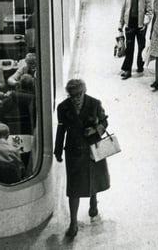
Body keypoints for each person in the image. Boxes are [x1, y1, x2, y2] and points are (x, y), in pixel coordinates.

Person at [54, 79, 110, 238]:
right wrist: (58, 150)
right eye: (72, 95)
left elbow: (105, 121)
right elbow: (61, 129)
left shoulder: (94, 103)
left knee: (93, 178)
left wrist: (95, 130)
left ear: (84, 91)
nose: (76, 98)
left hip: (93, 149)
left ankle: (93, 202)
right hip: (74, 150)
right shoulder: (63, 108)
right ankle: (73, 223)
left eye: (79, 94)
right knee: (74, 187)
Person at [118, 0, 153, 79]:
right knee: (129, 48)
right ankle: (127, 69)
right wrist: (120, 25)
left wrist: (145, 23)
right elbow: (123, 11)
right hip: (130, 25)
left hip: (141, 26)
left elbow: (149, 12)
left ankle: (140, 65)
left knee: (141, 47)